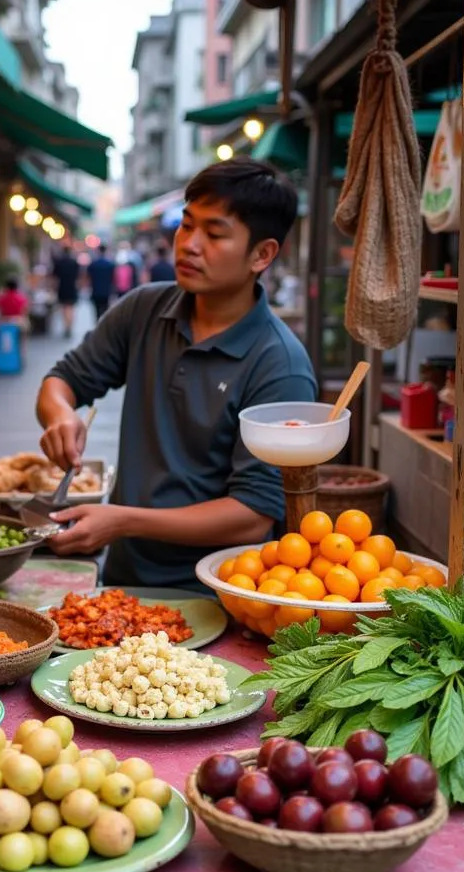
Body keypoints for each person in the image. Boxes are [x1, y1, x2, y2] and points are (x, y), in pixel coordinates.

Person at [36, 158, 317, 592]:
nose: (189, 244)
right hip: (123, 582)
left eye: (215, 233)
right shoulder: (143, 309)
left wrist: (122, 521)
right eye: (187, 226)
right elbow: (63, 380)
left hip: (222, 594)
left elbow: (252, 514)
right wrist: (59, 415)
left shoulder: (280, 364)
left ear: (262, 254)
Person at [51, 245, 80, 338]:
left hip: (62, 287)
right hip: (72, 287)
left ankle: (66, 326)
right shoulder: (74, 262)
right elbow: (78, 277)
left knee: (64, 308)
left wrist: (53, 288)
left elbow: (55, 278)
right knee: (70, 308)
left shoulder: (59, 262)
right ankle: (69, 326)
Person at [87, 245, 116, 321]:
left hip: (96, 291)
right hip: (106, 291)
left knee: (97, 311)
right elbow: (113, 278)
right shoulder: (110, 264)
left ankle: (98, 324)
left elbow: (89, 277)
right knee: (105, 310)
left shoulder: (93, 264)